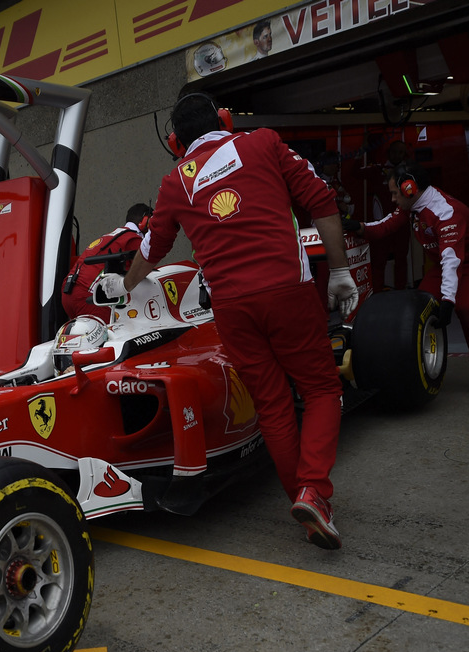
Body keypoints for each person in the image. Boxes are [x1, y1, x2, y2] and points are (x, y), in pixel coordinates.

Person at [101, 90, 358, 548]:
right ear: (225, 118)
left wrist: (124, 287)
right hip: (288, 291)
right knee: (320, 388)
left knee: (273, 405)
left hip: (232, 309)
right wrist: (339, 269)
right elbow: (321, 201)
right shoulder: (263, 143)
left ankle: (306, 507)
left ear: (176, 142)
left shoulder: (175, 182)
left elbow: (149, 251)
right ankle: (313, 490)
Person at [354, 168, 469, 397]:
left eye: (394, 194)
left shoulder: (445, 212)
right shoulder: (412, 205)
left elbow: (452, 260)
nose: (392, 199)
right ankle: (418, 367)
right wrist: (358, 227)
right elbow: (385, 225)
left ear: (409, 189)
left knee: (466, 307)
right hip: (446, 261)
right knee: (418, 307)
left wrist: (448, 301)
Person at [62, 204, 152, 322]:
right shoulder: (133, 239)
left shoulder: (115, 235)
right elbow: (144, 273)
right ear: (145, 221)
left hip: (68, 293)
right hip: (89, 296)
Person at [365, 140, 414, 292]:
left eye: (401, 152)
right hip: (382, 222)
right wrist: (363, 149)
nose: (397, 155)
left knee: (401, 258)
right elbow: (355, 172)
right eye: (394, 152)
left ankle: (401, 291)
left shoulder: (408, 170)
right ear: (388, 153)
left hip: (402, 222)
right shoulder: (378, 169)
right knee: (379, 260)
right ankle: (377, 292)